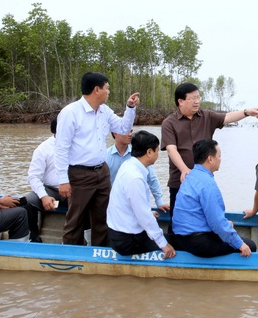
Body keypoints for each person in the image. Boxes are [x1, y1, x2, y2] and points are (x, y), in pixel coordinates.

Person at [160, 82, 258, 233]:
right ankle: (175, 252)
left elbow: (227, 117)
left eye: (198, 97)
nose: (197, 101)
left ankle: (204, 251)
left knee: (206, 219)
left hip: (204, 183)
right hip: (180, 181)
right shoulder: (169, 123)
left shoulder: (207, 116)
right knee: (178, 222)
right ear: (180, 101)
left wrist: (247, 112)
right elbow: (171, 149)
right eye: (193, 98)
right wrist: (185, 170)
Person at [54, 72, 140, 246]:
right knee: (76, 219)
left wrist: (130, 108)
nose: (109, 92)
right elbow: (61, 149)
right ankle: (71, 255)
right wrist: (63, 180)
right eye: (107, 88)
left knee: (103, 216)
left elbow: (123, 128)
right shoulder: (70, 113)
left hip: (102, 171)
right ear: (96, 90)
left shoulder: (104, 111)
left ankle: (99, 252)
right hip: (80, 174)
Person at [172, 139, 256, 258]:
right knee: (250, 245)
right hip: (198, 243)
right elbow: (216, 222)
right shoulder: (208, 184)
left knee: (228, 226)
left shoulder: (190, 177)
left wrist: (226, 225)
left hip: (181, 238)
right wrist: (240, 244)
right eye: (219, 156)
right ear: (210, 159)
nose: (220, 159)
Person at [107, 131, 176, 258]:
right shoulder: (135, 178)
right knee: (176, 242)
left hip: (118, 232)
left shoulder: (128, 165)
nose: (158, 155)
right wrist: (163, 244)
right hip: (126, 240)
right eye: (157, 151)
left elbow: (133, 205)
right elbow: (144, 216)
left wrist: (149, 213)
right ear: (149, 152)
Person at [22, 116, 69, 242]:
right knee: (27, 201)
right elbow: (33, 177)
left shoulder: (79, 146)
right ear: (56, 131)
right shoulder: (43, 149)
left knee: (85, 204)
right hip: (52, 192)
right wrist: (44, 196)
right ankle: (33, 237)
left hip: (73, 191)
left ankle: (76, 241)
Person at [106, 129, 166, 211]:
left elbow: (152, 178)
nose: (130, 134)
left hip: (136, 201)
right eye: (126, 131)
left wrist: (159, 202)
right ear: (115, 133)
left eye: (131, 131)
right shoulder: (105, 156)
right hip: (113, 204)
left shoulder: (139, 155)